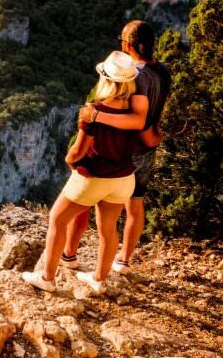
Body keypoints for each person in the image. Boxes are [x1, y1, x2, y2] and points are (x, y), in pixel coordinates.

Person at [22, 51, 140, 294]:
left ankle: (47, 278)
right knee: (108, 229)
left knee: (57, 219)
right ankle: (97, 278)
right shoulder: (133, 112)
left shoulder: (94, 111)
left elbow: (78, 149)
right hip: (124, 179)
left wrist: (69, 159)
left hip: (95, 177)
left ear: (105, 80)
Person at [61, 21, 171, 274]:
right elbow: (155, 112)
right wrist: (153, 133)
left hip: (125, 148)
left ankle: (70, 253)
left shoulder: (137, 75)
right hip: (147, 149)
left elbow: (137, 118)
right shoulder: (162, 71)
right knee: (135, 203)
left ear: (127, 44)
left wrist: (96, 116)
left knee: (85, 198)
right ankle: (123, 260)